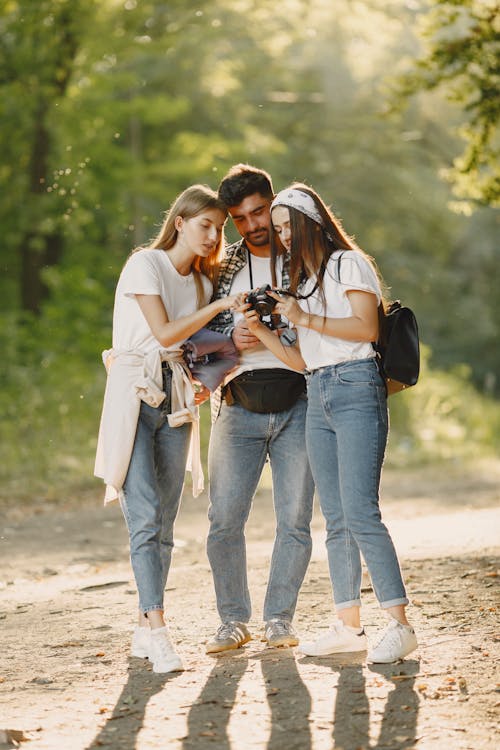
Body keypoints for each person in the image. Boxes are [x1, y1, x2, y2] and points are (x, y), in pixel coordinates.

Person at [242, 183, 418, 664]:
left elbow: (366, 329)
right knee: (336, 518)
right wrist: (261, 329)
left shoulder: (348, 264)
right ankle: (347, 626)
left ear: (310, 221)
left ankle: (400, 625)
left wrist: (303, 315)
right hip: (317, 389)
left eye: (286, 227)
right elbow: (301, 361)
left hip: (356, 385)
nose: (281, 237)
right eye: (276, 230)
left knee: (361, 512)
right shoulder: (305, 281)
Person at [94, 185, 242, 673]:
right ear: (180, 220)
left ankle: (143, 624)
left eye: (219, 229)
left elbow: (205, 348)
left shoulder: (200, 285)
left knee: (164, 523)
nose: (212, 236)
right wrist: (219, 309)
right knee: (144, 512)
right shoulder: (146, 265)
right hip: (133, 393)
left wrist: (205, 382)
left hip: (175, 398)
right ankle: (159, 631)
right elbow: (162, 333)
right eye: (205, 225)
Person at [205, 165, 315, 653]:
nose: (252, 225)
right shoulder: (221, 266)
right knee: (224, 519)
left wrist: (282, 330)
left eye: (258, 211)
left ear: (274, 202)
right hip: (237, 403)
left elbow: (329, 323)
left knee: (295, 519)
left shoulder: (305, 257)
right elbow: (192, 336)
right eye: (240, 218)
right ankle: (232, 620)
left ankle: (279, 619)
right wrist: (231, 337)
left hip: (301, 400)